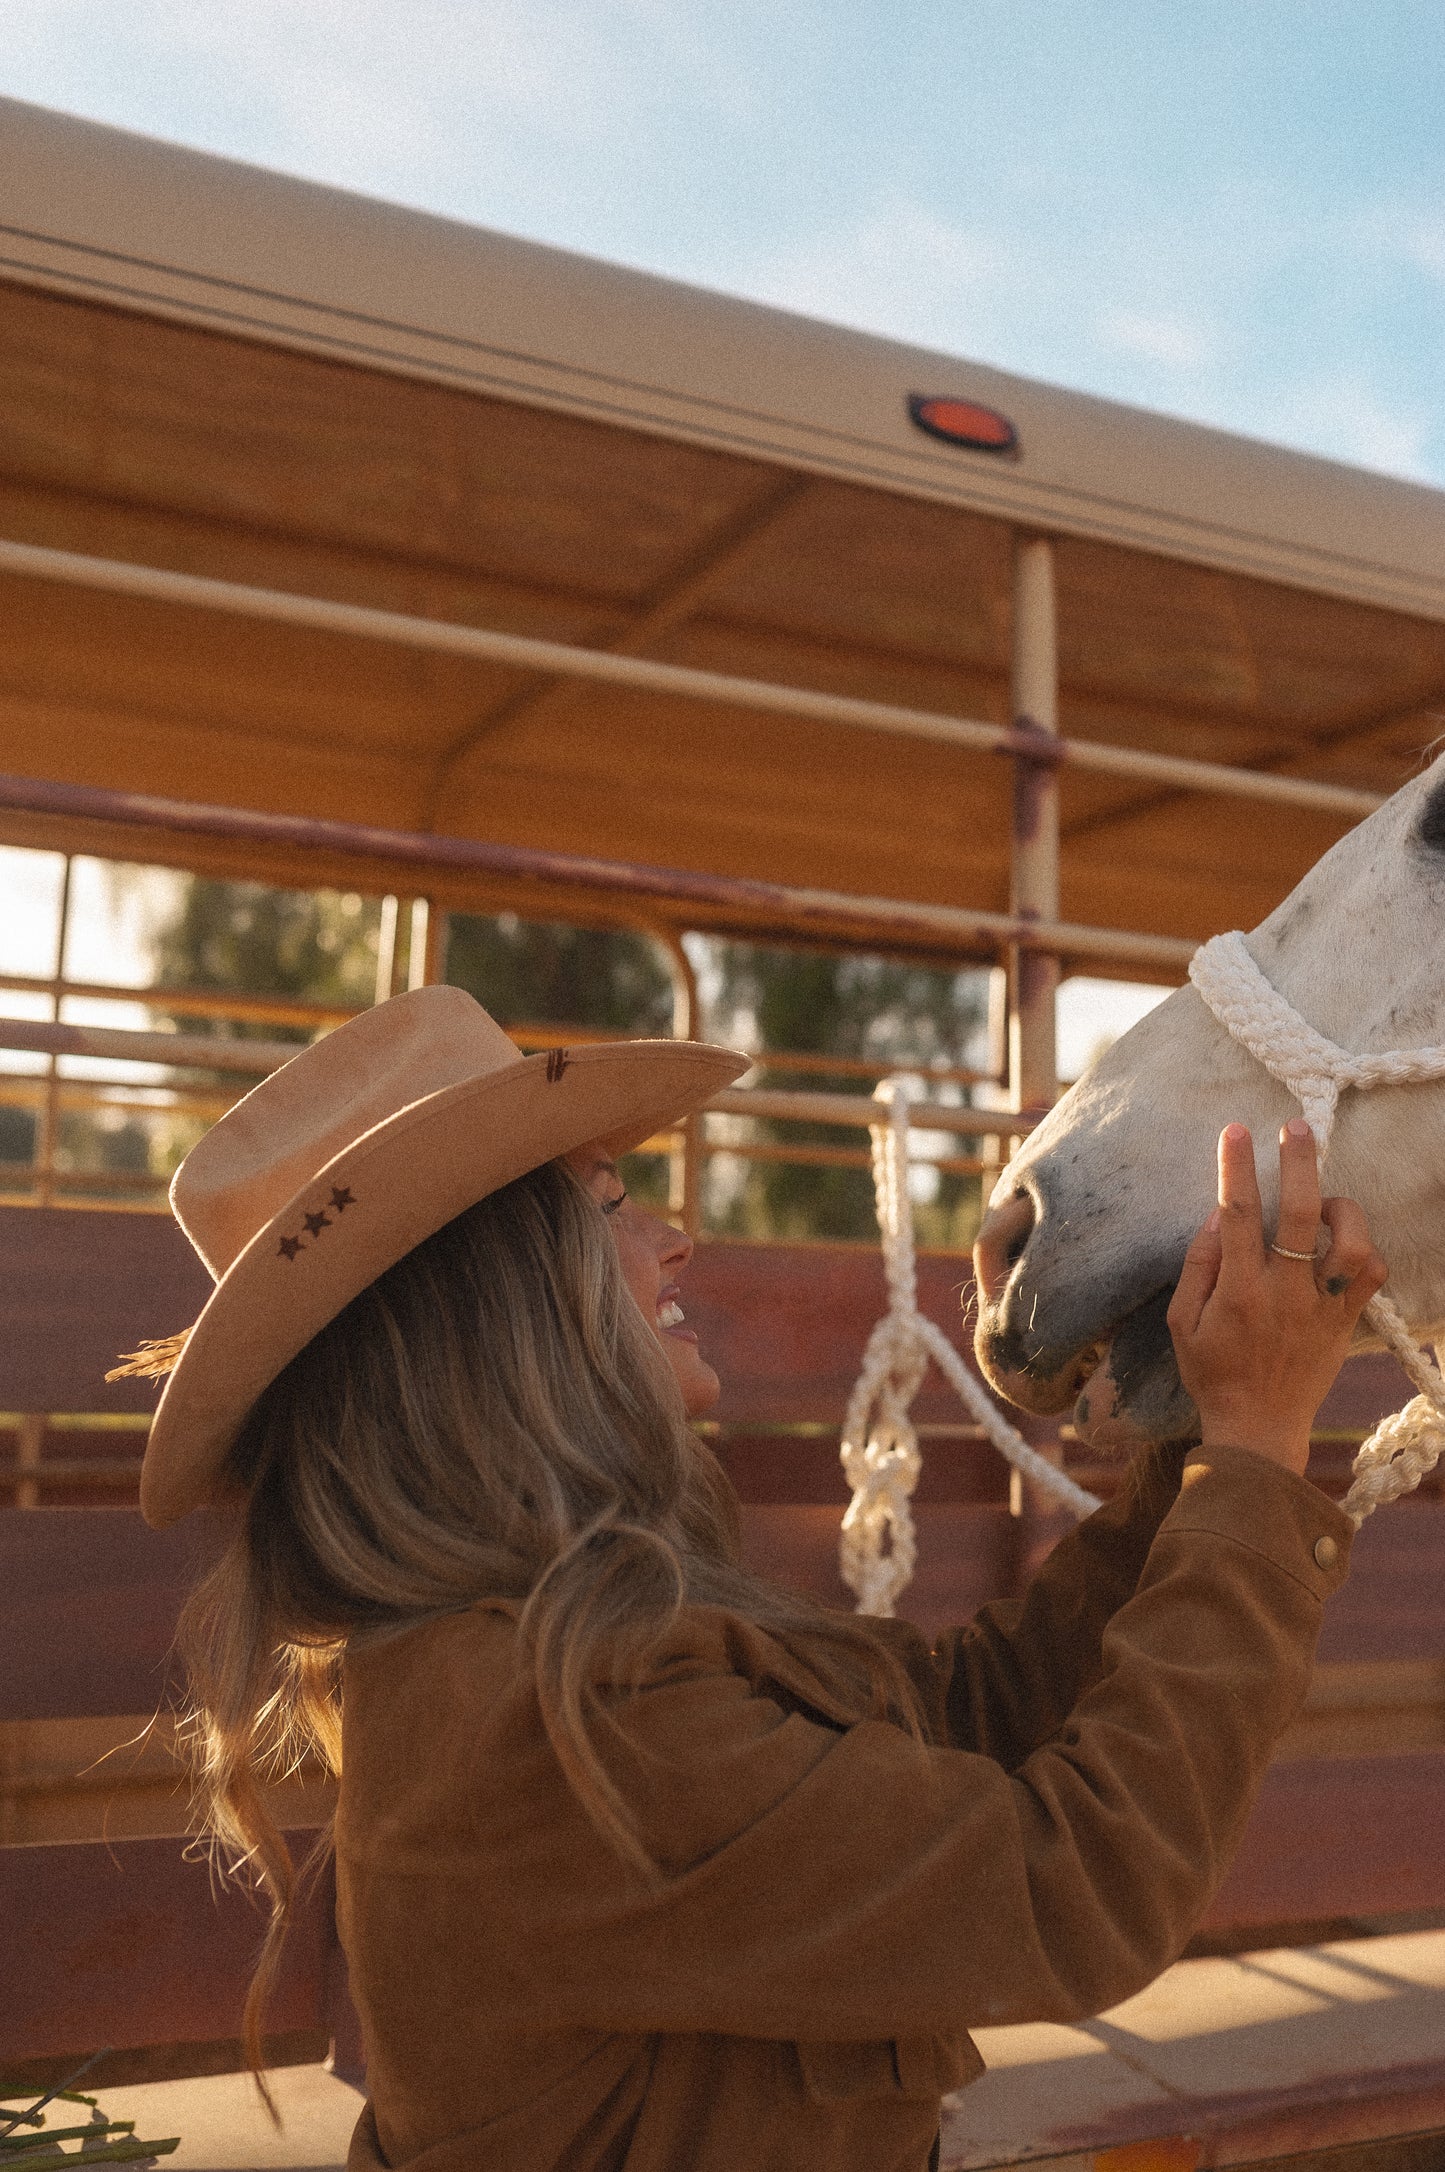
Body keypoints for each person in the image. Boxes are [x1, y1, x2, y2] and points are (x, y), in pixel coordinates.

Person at [124, 985, 1386, 2172]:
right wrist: (1259, 1447)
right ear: (499, 1297)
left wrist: (1192, 1449)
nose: (673, 1241)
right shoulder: (555, 1722)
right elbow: (1073, 1887)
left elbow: (969, 1719)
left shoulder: (538, 1649)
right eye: (611, 1202)